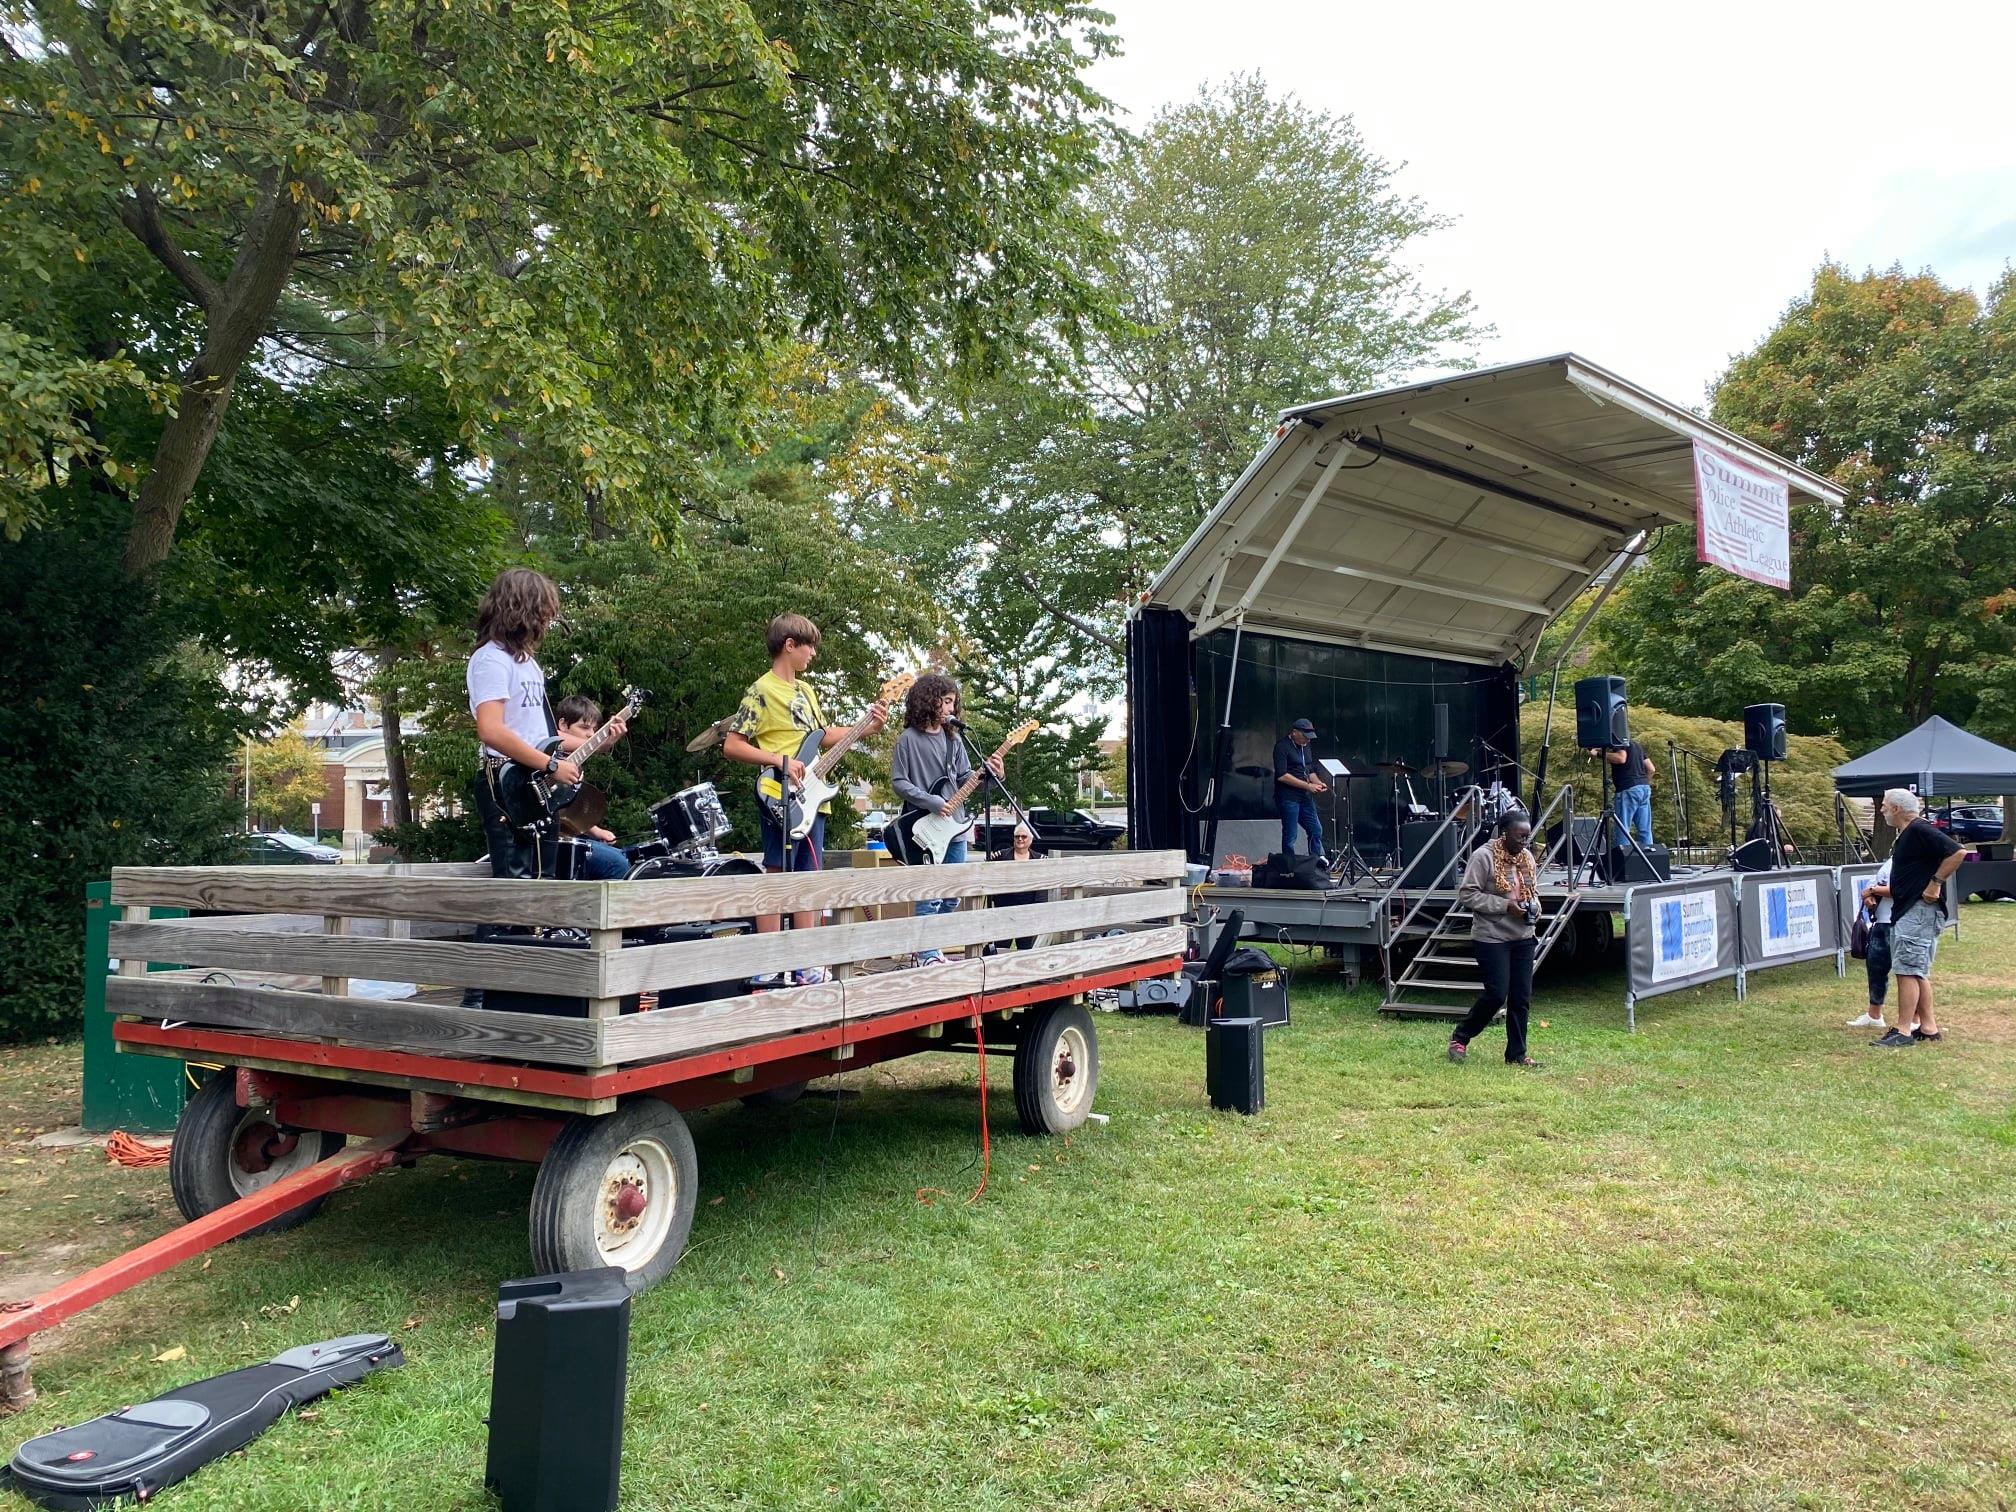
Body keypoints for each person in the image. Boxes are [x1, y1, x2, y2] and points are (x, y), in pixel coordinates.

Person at [721, 613, 887, 984]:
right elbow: (732, 745)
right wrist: (780, 760)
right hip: (779, 794)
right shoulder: (760, 690)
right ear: (789, 645)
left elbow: (822, 735)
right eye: (809, 645)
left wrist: (866, 727)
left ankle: (805, 962)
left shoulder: (808, 691)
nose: (814, 652)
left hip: (815, 796)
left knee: (809, 878)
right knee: (777, 873)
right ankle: (767, 962)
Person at [467, 568, 579, 883]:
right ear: (523, 611)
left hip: (534, 782)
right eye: (543, 612)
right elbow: (491, 730)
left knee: (543, 882)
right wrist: (551, 764)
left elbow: (538, 735)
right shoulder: (491, 660)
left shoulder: (525, 662)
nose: (547, 620)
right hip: (505, 782)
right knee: (515, 886)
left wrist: (598, 740)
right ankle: (501, 934)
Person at [890, 674, 1002, 965]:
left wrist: (991, 775)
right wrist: (932, 801)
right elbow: (900, 782)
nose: (952, 708)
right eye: (948, 701)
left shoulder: (954, 739)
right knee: (929, 893)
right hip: (924, 828)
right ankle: (927, 953)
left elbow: (966, 779)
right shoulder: (908, 740)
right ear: (930, 700)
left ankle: (928, 942)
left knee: (952, 895)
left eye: (954, 702)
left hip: (956, 827)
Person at [1447, 810, 1542, 1068]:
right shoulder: (1483, 857)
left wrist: (1534, 908)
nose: (1524, 841)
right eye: (1519, 836)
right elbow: (1468, 894)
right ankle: (1460, 1037)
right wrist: (1505, 906)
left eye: (1527, 836)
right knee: (1497, 993)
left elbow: (1533, 891)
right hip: (1491, 936)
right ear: (1504, 833)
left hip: (1523, 935)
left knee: (1521, 997)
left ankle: (1516, 1055)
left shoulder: (1527, 858)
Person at [1871, 788, 1964, 1048]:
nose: (1882, 809)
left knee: (1907, 970)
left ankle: (1903, 1030)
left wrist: (1935, 883)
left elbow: (1958, 852)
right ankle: (1929, 1027)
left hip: (1919, 910)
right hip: (1912, 909)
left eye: (1885, 805)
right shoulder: (1911, 833)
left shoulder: (1920, 829)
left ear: (1897, 809)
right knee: (1917, 971)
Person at [553, 695, 633, 881]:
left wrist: (596, 831)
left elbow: (565, 813)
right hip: (548, 841)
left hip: (565, 837)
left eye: (594, 729)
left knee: (623, 855)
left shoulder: (575, 764)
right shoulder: (547, 755)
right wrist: (600, 744)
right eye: (584, 727)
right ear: (563, 725)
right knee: (617, 863)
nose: (590, 734)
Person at [985, 820, 1052, 953]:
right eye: (1017, 836)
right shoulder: (1001, 856)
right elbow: (986, 870)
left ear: (1031, 839)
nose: (1020, 839)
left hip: (1028, 911)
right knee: (1001, 946)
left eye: (1023, 836)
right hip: (1004, 909)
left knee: (1025, 948)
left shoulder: (1040, 860)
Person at [1846, 858, 1893, 1031]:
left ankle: (1915, 1018)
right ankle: (1874, 1015)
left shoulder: (1913, 858)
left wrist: (1873, 890)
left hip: (1899, 922)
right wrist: (1869, 894)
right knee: (1875, 968)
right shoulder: (1892, 859)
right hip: (1881, 921)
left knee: (1908, 973)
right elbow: (1875, 881)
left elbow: (1904, 889)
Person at [1273, 717, 1328, 859]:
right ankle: (1288, 865)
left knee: (1316, 830)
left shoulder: (1305, 747)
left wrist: (1318, 783)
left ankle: (1315, 862)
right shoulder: (1282, 747)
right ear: (1294, 732)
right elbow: (1282, 775)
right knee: (1291, 834)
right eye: (1305, 737)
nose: (1307, 740)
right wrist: (1308, 786)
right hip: (1288, 797)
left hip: (1305, 796)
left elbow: (1309, 770)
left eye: (1309, 738)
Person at [1587, 735, 1656, 848]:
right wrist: (1642, 783)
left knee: (1622, 828)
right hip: (1644, 788)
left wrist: (1599, 754)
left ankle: (1623, 862)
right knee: (1645, 829)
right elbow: (1651, 769)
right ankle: (1649, 859)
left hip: (1627, 788)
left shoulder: (1620, 743)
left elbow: (1621, 758)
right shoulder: (1636, 745)